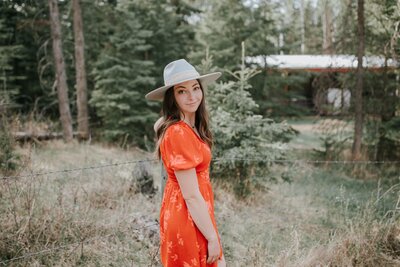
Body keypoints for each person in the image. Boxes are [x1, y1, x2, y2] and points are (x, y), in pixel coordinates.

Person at [146, 59, 226, 267]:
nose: (192, 96)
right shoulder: (178, 132)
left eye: (195, 88)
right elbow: (190, 195)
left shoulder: (187, 126)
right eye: (182, 91)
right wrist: (211, 237)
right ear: (172, 97)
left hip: (197, 212)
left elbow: (159, 124)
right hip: (187, 215)